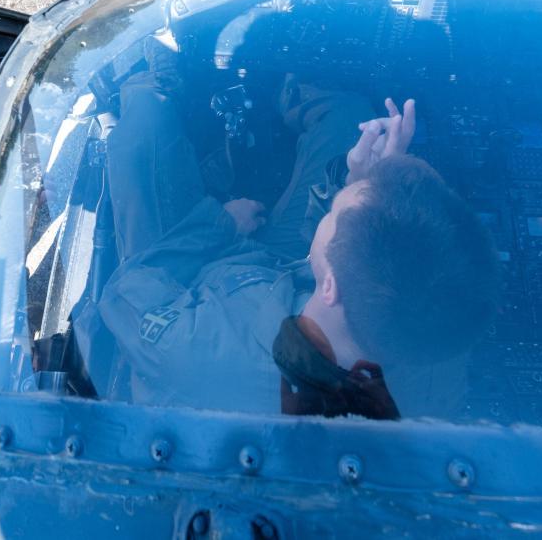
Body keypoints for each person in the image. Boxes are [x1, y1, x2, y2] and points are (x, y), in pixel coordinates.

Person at [87, 60, 499, 419]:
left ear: (333, 283)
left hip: (196, 272)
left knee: (143, 137)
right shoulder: (433, 333)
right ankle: (285, 93)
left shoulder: (198, 345)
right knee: (348, 116)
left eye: (338, 209)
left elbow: (128, 288)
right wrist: (369, 185)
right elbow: (398, 263)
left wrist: (221, 226)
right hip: (293, 275)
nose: (338, 198)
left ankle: (143, 83)